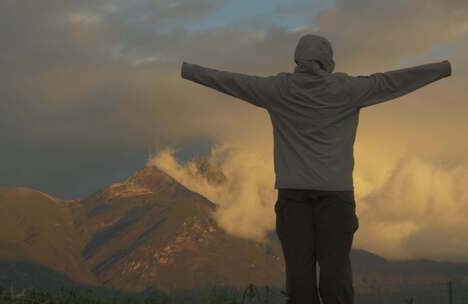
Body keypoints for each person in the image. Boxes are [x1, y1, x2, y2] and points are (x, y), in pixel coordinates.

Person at [180, 33, 452, 304]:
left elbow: (231, 81)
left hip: (292, 196)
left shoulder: (277, 89)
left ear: (297, 60)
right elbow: (394, 81)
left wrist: (190, 71)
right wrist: (441, 68)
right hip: (335, 197)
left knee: (299, 279)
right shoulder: (348, 89)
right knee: (335, 276)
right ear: (327, 61)